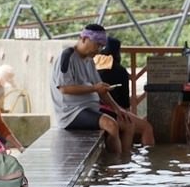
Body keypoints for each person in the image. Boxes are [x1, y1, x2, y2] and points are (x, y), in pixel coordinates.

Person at [52, 24, 154, 154]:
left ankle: (125, 163)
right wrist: (94, 88)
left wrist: (118, 109)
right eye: (97, 44)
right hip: (71, 112)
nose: (99, 49)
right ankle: (113, 166)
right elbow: (64, 89)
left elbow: (101, 90)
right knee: (111, 125)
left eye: (101, 46)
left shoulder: (89, 60)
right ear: (83, 39)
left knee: (128, 123)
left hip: (91, 108)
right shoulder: (67, 56)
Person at [94, 37, 131, 110]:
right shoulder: (120, 70)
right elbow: (124, 98)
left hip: (92, 108)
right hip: (114, 110)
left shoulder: (93, 63)